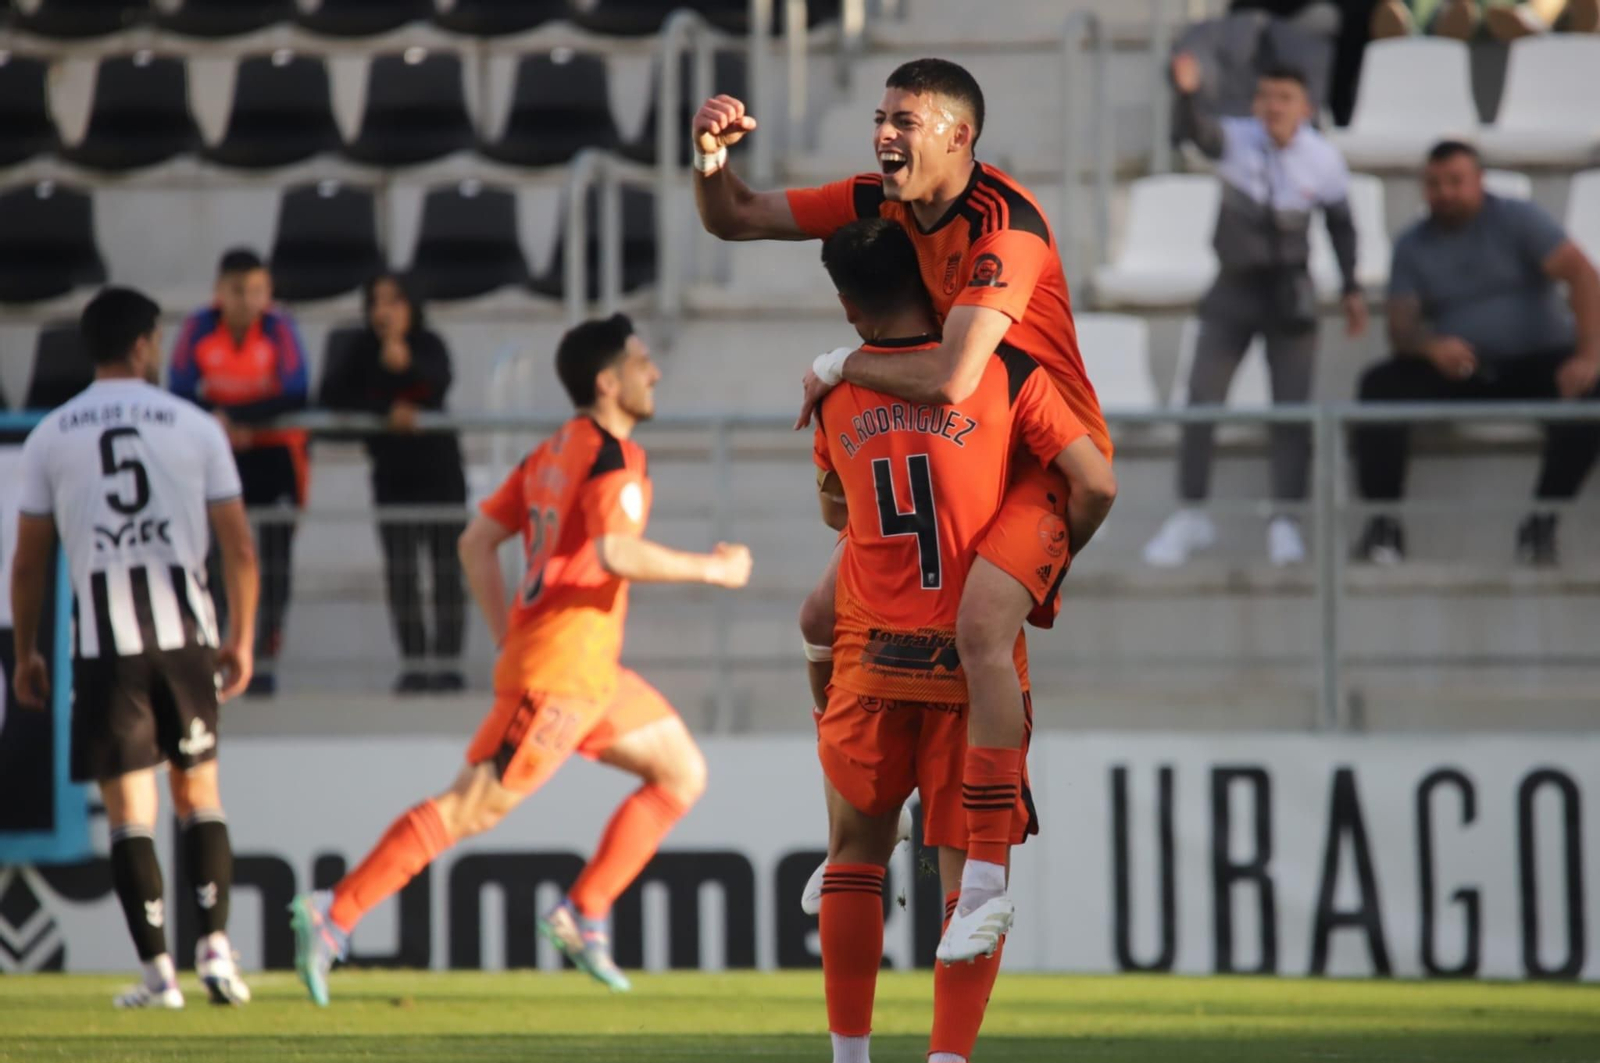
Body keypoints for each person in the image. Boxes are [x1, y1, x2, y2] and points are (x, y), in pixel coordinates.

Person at [692, 58, 1110, 954]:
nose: (885, 133)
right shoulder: (879, 201)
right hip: (966, 456)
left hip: (1042, 458)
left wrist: (837, 366)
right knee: (817, 617)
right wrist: (709, 161)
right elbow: (739, 216)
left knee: (979, 628)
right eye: (881, 116)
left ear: (960, 136)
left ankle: (986, 878)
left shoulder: (1008, 228)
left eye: (906, 120)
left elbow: (957, 379)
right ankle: (851, 822)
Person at [288, 314, 753, 1006]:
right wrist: (712, 570)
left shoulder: (552, 450)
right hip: (560, 677)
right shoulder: (613, 458)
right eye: (641, 361)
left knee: (681, 772)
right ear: (607, 380)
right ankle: (337, 910)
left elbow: (477, 541)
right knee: (468, 808)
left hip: (588, 670)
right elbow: (613, 553)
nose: (653, 372)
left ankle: (583, 911)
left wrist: (509, 631)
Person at [810, 220, 1115, 1063]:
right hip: (968, 669)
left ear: (846, 303)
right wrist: (1037, 563)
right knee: (970, 888)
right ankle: (947, 1060)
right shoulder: (1011, 373)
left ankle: (849, 1058)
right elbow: (1092, 482)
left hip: (872, 655)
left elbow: (839, 512)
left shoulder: (835, 396)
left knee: (853, 853)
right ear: (934, 278)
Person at [10, 287, 259, 1008]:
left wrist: (28, 648)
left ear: (92, 348)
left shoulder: (53, 433)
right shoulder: (195, 425)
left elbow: (27, 561)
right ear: (146, 343)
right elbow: (239, 545)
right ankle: (215, 949)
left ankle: (160, 974)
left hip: (104, 643)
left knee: (130, 807)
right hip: (188, 637)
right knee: (199, 790)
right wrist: (239, 636)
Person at [1144, 57, 1366, 568]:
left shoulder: (1323, 159)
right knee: (1201, 397)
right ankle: (1191, 512)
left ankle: (1286, 520)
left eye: (1284, 98)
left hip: (1289, 293)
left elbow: (1341, 226)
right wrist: (1186, 93)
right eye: (1265, 96)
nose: (1273, 108)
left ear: (1306, 108)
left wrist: (1352, 286)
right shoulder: (1237, 138)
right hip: (1234, 288)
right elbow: (1194, 133)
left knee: (1289, 409)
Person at [1352, 141, 1600, 565]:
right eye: (1434, 184)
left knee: (1595, 392)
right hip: (1461, 367)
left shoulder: (1517, 219)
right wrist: (1431, 347)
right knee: (1379, 386)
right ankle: (1384, 527)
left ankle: (1542, 523)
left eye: (1455, 181)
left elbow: (1582, 274)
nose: (1444, 192)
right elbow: (1401, 328)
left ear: (1480, 181)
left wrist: (1590, 355)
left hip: (1538, 361)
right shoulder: (1412, 244)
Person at [169, 248, 309, 697]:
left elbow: (296, 391)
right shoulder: (198, 328)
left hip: (271, 460)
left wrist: (238, 419)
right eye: (237, 290)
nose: (247, 300)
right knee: (213, 559)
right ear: (219, 292)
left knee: (273, 563)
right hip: (218, 457)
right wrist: (222, 423)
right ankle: (215, 650)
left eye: (256, 291)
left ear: (267, 292)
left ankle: (263, 661)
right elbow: (179, 388)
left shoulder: (281, 328)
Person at [321, 273, 468, 694]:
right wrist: (387, 409)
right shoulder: (360, 349)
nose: (384, 311)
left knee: (445, 571)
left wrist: (405, 363)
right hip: (393, 476)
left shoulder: (429, 344)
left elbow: (439, 382)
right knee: (402, 572)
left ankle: (448, 664)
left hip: (440, 474)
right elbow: (333, 394)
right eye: (377, 302)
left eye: (395, 301)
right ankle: (415, 664)